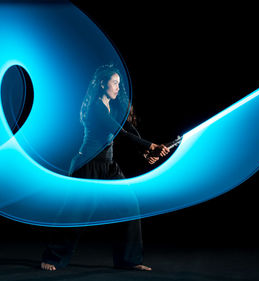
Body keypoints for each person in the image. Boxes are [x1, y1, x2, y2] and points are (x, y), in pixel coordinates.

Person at [40, 64, 169, 271]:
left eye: (119, 83)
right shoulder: (96, 108)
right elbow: (120, 133)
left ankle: (129, 260)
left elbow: (129, 129)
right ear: (102, 84)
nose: (118, 87)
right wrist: (151, 146)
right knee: (75, 214)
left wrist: (146, 152)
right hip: (87, 166)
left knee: (130, 205)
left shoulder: (115, 106)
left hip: (109, 166)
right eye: (114, 82)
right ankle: (52, 258)